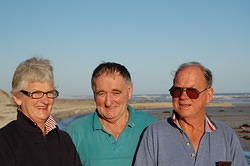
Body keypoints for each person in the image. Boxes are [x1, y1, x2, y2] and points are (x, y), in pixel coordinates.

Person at [134, 62, 248, 166]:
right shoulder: (155, 134)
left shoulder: (226, 136)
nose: (183, 96)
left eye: (192, 91)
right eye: (177, 90)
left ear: (208, 95)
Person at [66, 62, 158, 166]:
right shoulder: (76, 132)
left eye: (116, 93)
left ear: (129, 91)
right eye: (101, 93)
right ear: (94, 94)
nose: (108, 102)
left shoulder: (152, 127)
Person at [0, 57, 82, 166]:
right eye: (36, 93)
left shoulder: (64, 140)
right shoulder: (5, 142)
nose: (45, 100)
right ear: (17, 98)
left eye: (49, 93)